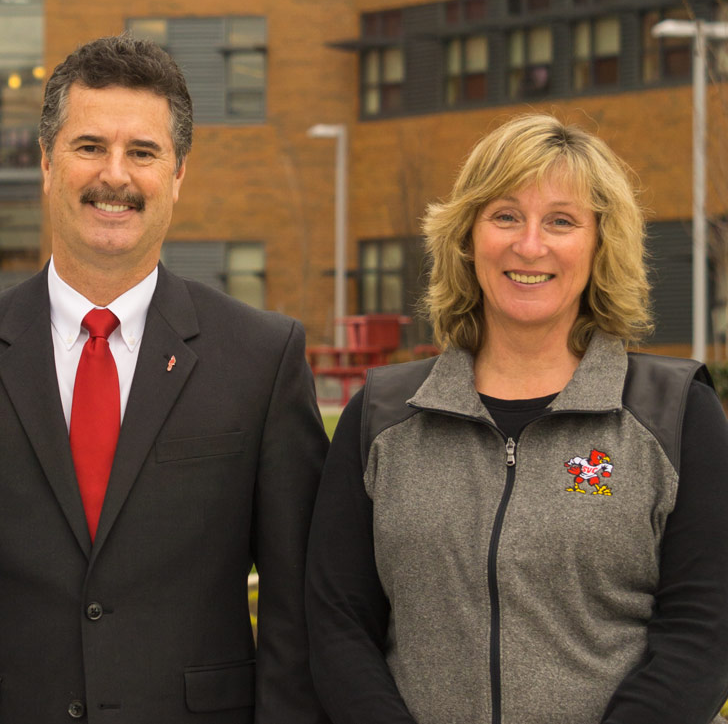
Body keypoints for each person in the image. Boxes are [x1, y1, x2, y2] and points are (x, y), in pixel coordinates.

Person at [0, 33, 328, 724]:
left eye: (142, 151)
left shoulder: (263, 359)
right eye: (89, 147)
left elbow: (299, 609)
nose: (115, 175)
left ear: (177, 174)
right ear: (48, 162)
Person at [305, 113, 728, 724]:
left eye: (561, 221)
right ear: (468, 236)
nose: (530, 245)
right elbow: (338, 623)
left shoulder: (676, 412)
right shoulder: (383, 417)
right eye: (505, 216)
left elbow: (703, 630)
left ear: (600, 243)